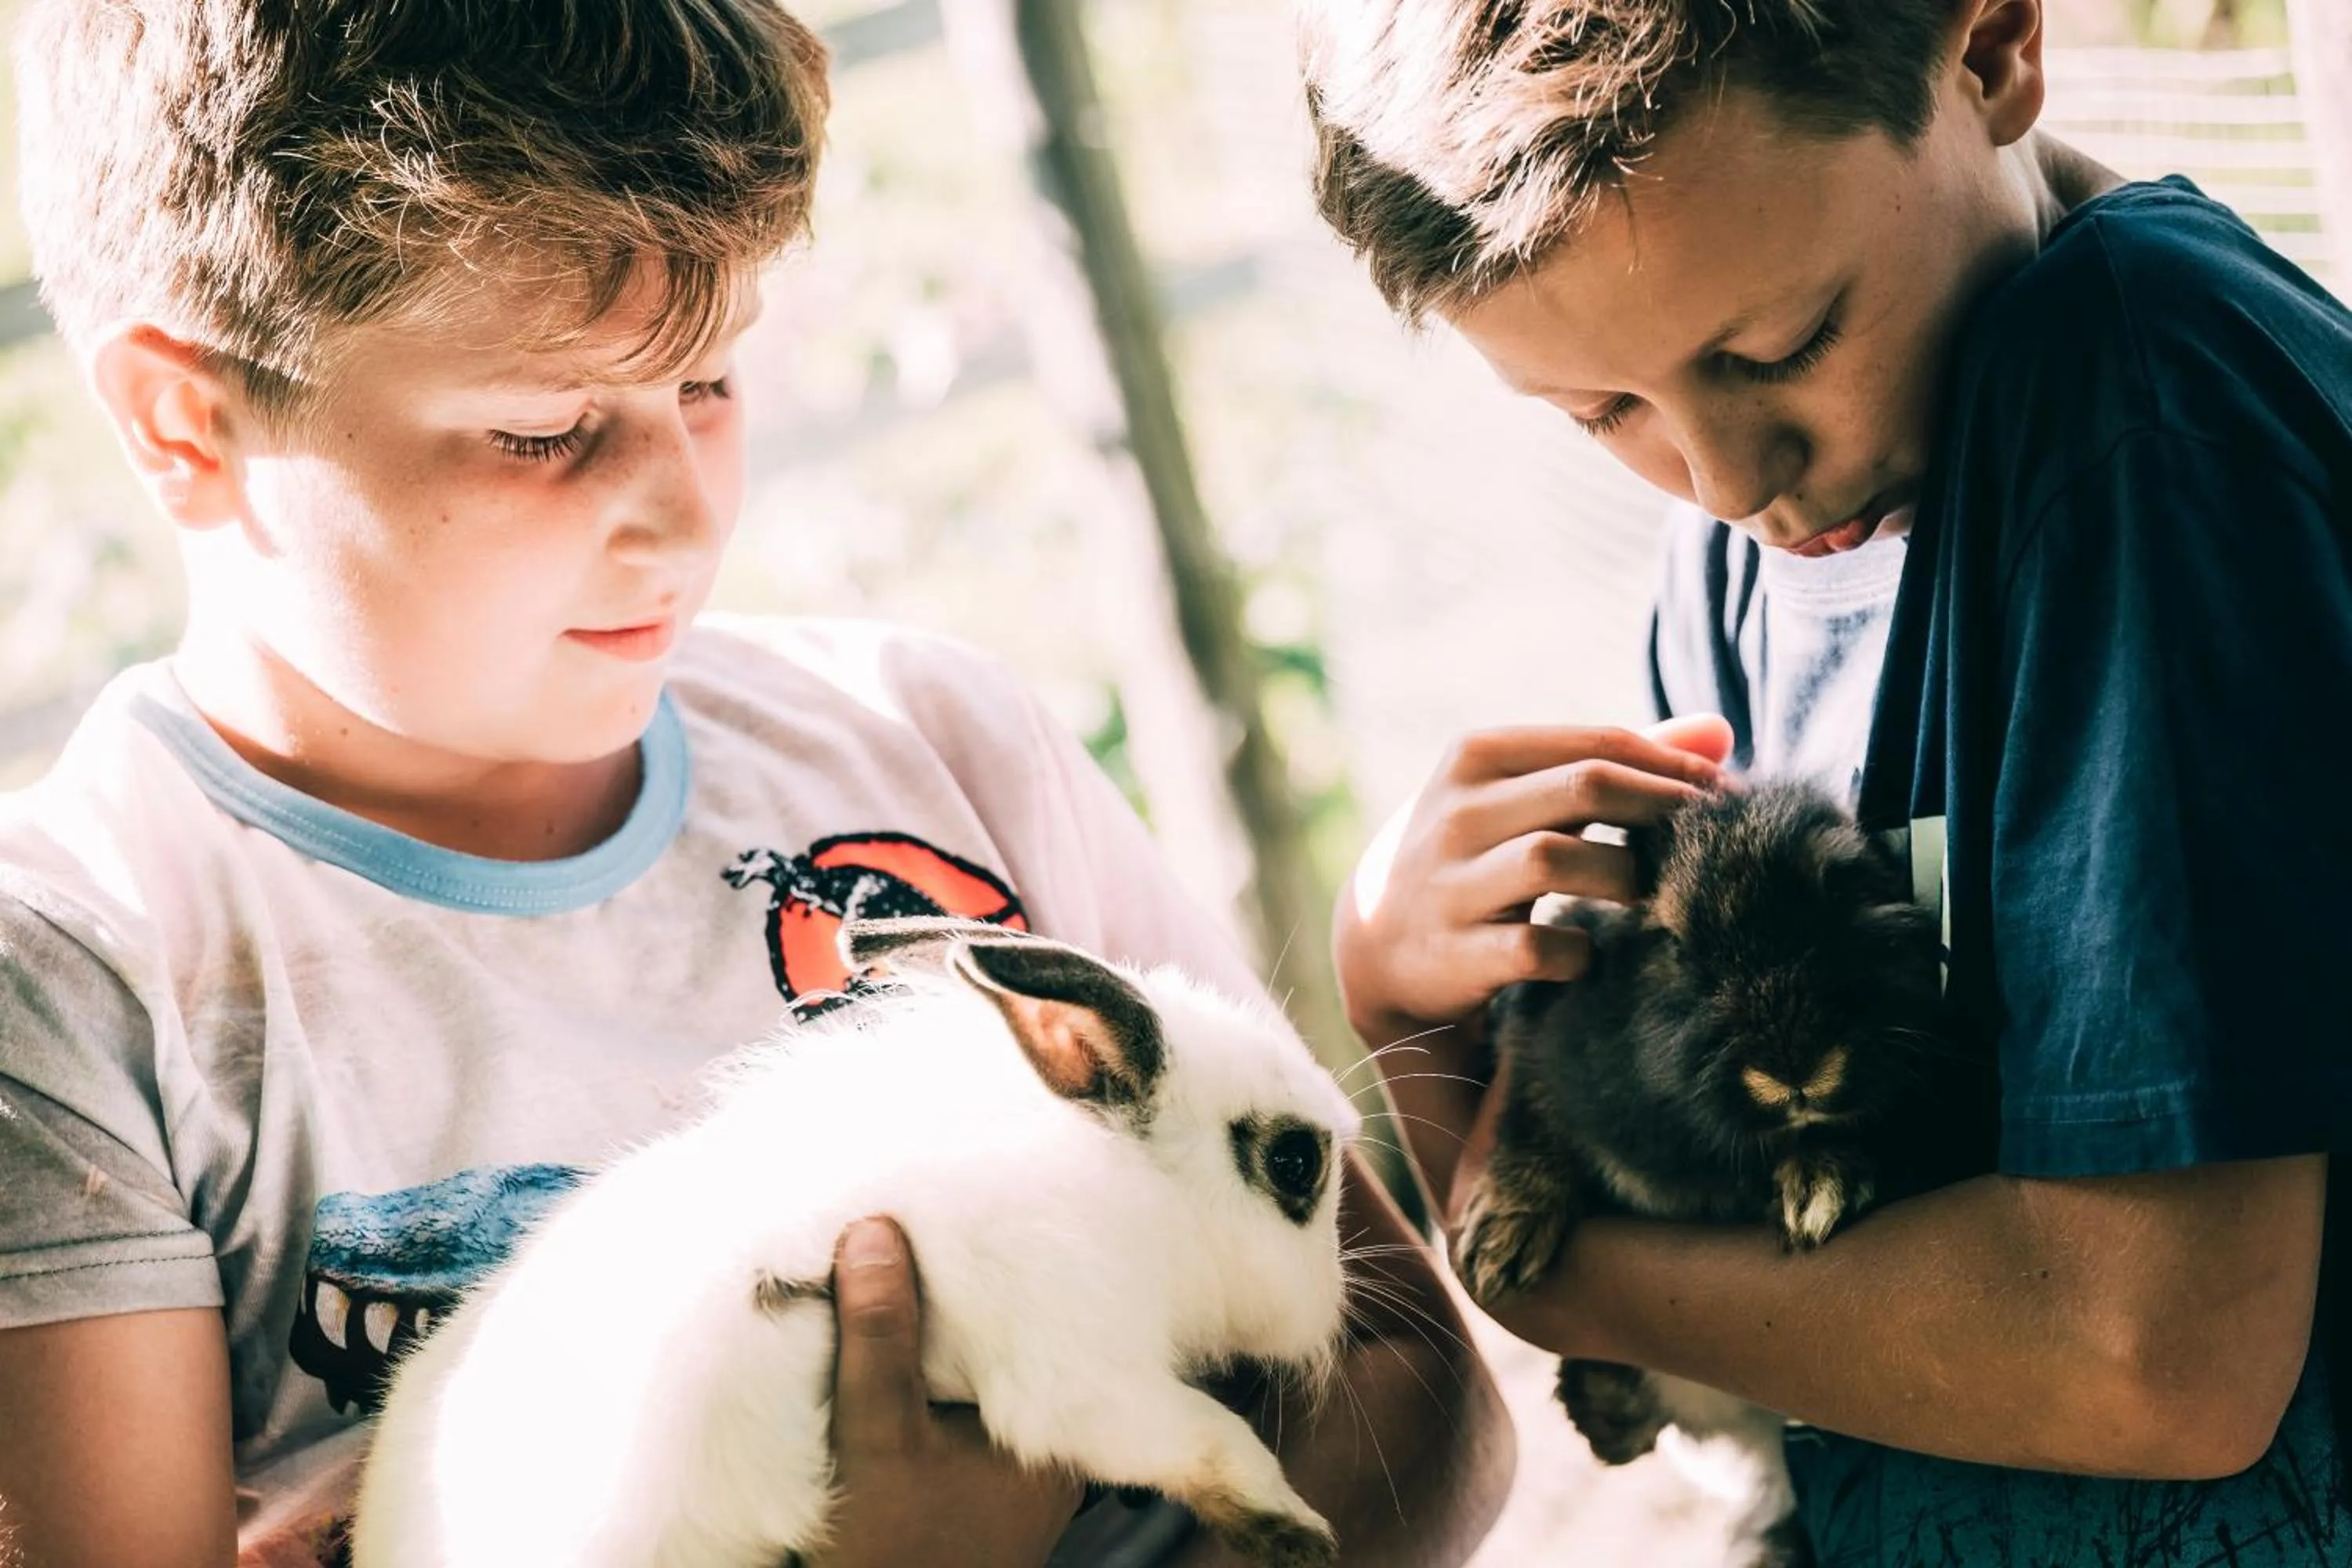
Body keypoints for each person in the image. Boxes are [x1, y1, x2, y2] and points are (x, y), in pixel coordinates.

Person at [0, 3, 1512, 1564]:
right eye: (545, 430)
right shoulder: (73, 986)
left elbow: (1412, 1386)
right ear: (186, 420)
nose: (680, 506)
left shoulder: (933, 739)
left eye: (711, 384)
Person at [1303, 0, 2352, 1560]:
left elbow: (2156, 1362)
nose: (1727, 481)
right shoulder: (1736, 559)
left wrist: (1544, 1258)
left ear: (1989, 49)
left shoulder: (2140, 419)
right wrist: (1403, 993)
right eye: (1602, 412)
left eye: (1775, 348)